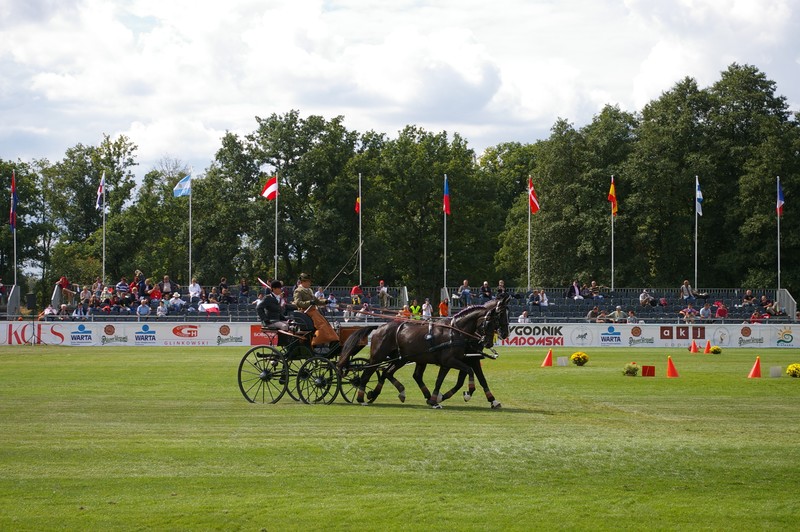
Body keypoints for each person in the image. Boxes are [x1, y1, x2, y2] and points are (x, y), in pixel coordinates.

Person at [294, 273, 338, 347]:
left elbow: (316, 301)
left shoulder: (309, 290)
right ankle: (317, 342)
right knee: (321, 325)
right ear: (303, 282)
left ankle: (332, 339)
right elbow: (298, 303)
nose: (310, 283)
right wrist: (309, 302)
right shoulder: (298, 291)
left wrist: (325, 301)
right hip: (306, 311)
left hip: (314, 311)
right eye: (308, 281)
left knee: (326, 323)